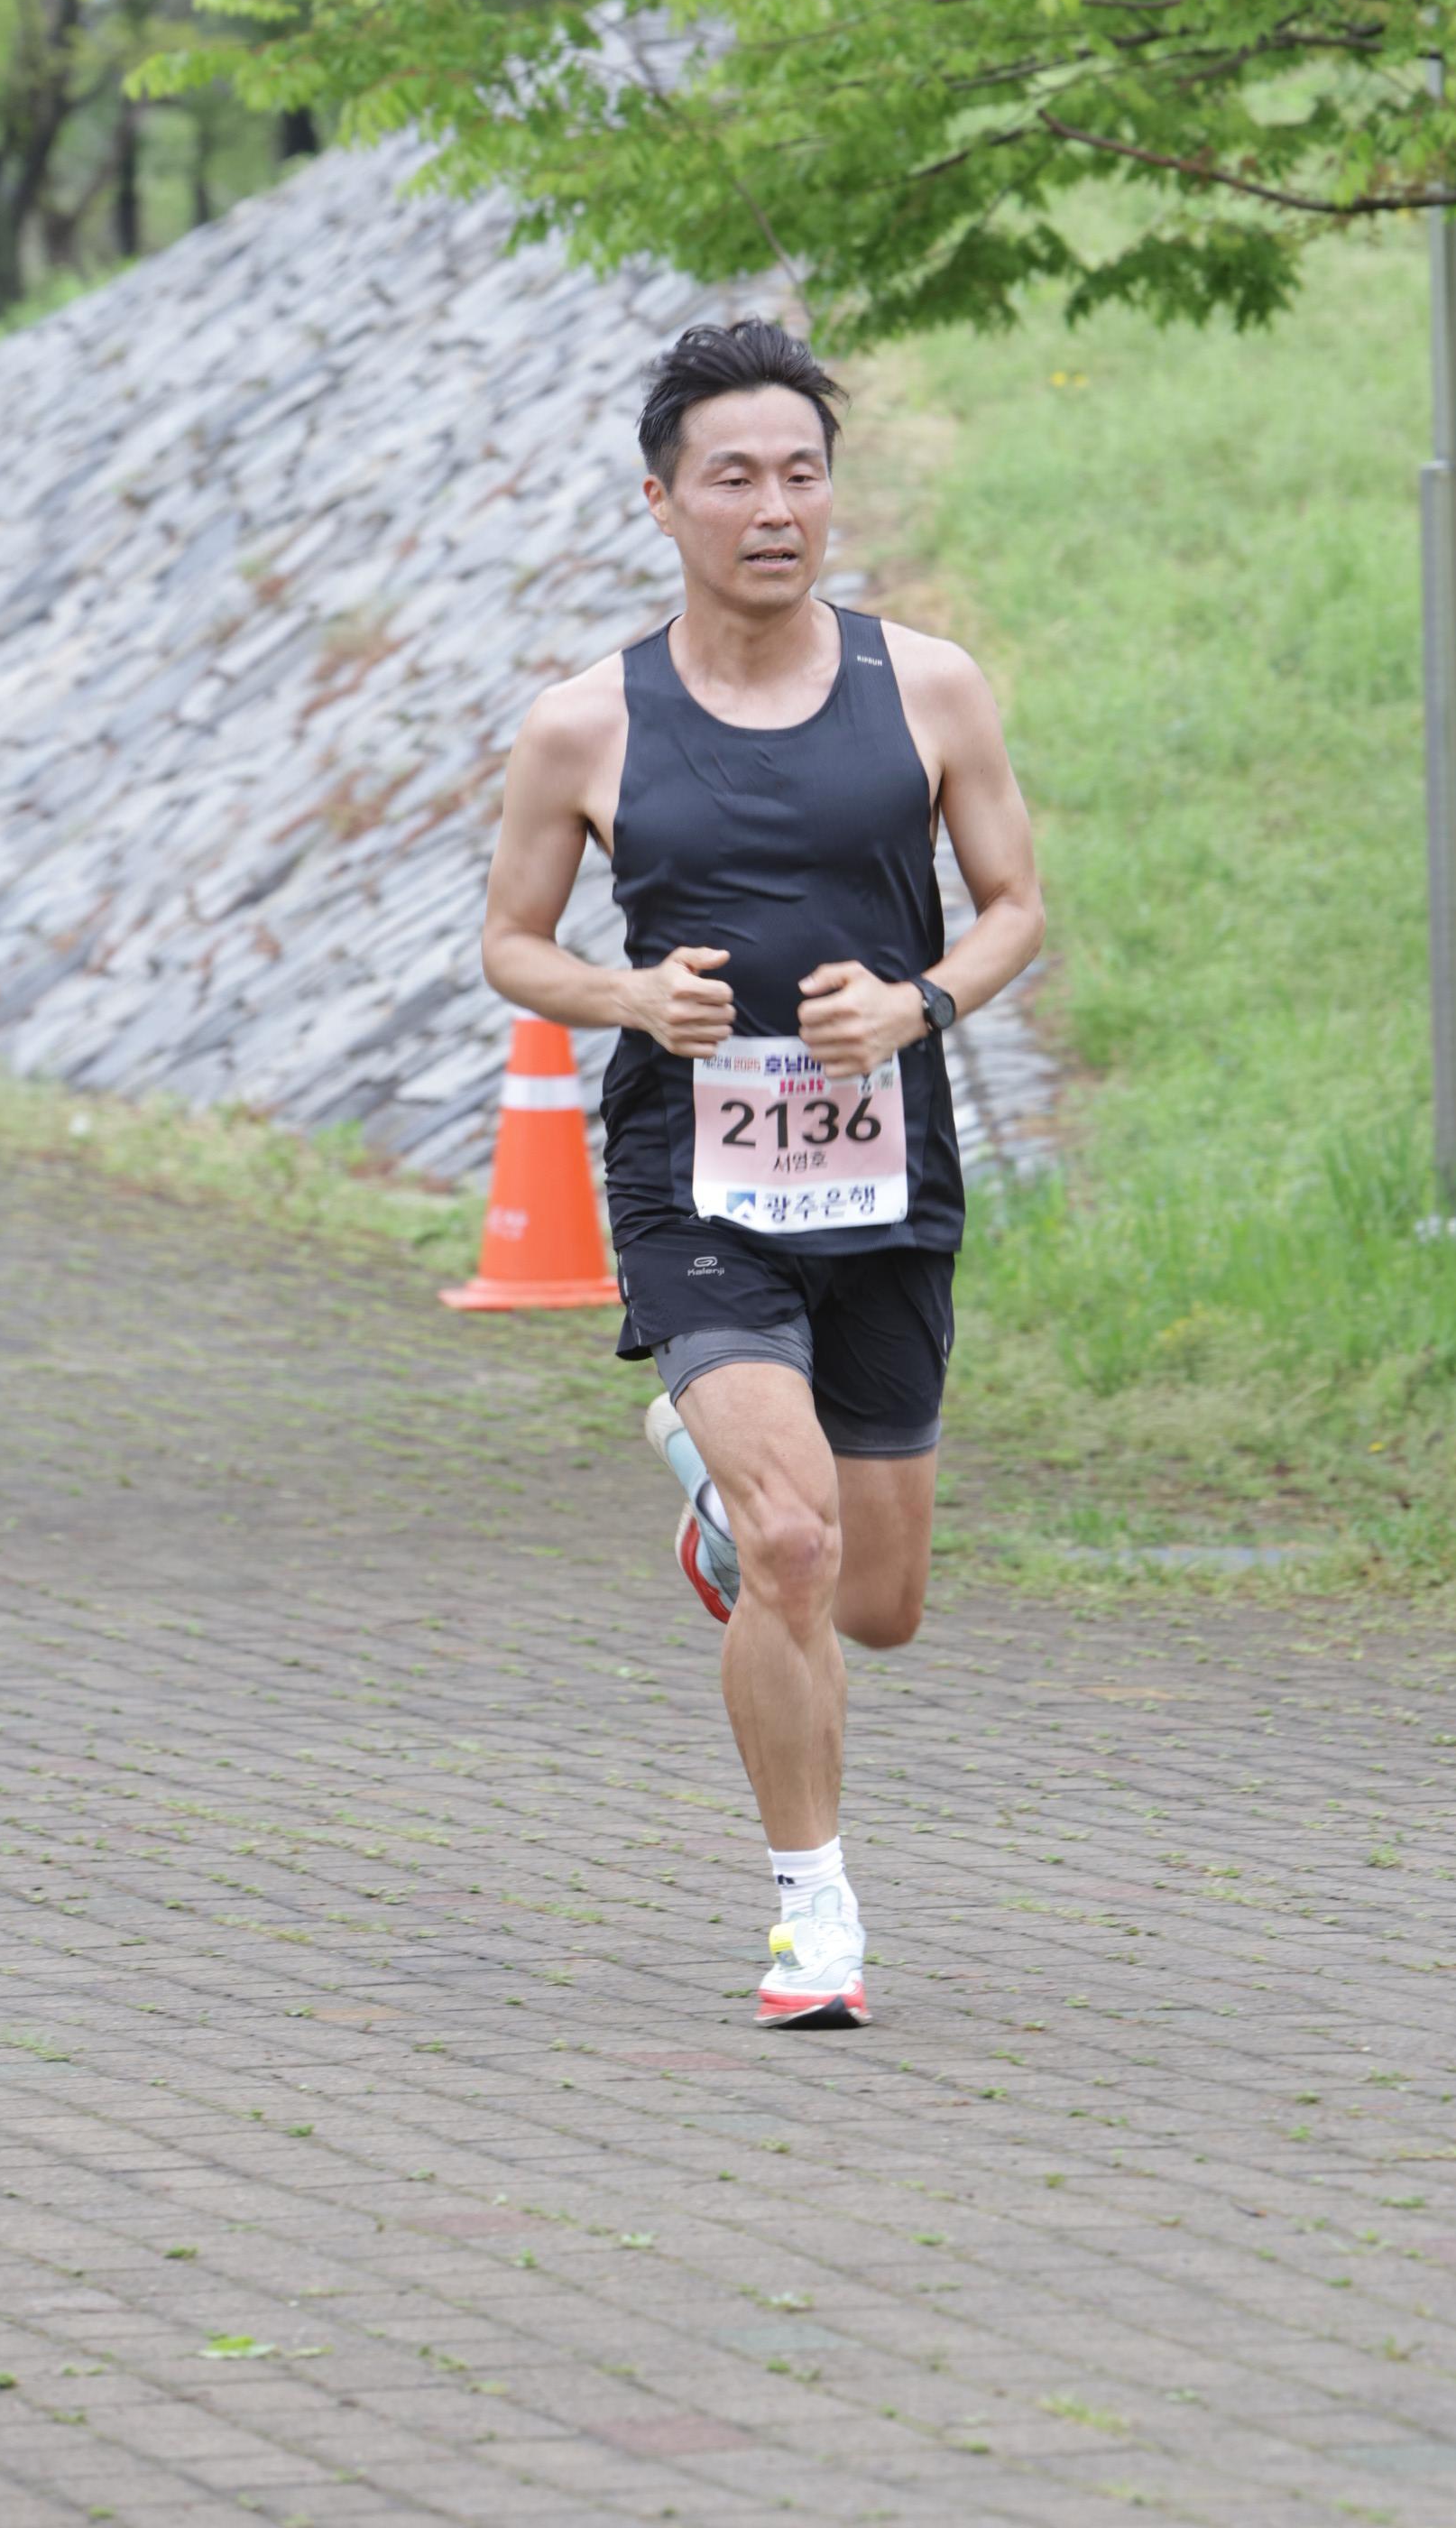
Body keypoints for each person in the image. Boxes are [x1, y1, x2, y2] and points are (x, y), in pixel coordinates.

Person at [479, 317, 1045, 2028]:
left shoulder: (927, 687)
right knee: (800, 1548)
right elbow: (514, 946)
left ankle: (718, 1502)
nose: (775, 507)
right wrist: (630, 996)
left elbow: (1015, 907)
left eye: (802, 473)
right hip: (693, 1177)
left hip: (886, 1172)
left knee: (877, 1602)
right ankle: (814, 1917)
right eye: (734, 477)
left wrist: (921, 1001)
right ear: (663, 500)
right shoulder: (586, 724)